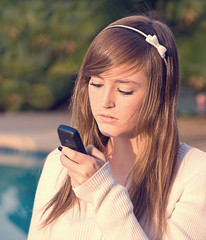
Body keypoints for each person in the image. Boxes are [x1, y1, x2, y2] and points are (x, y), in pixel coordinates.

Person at [28, 14, 206, 240]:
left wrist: (103, 192)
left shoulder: (196, 176)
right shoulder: (61, 165)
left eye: (124, 90)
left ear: (160, 92)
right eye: (96, 83)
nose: (105, 102)